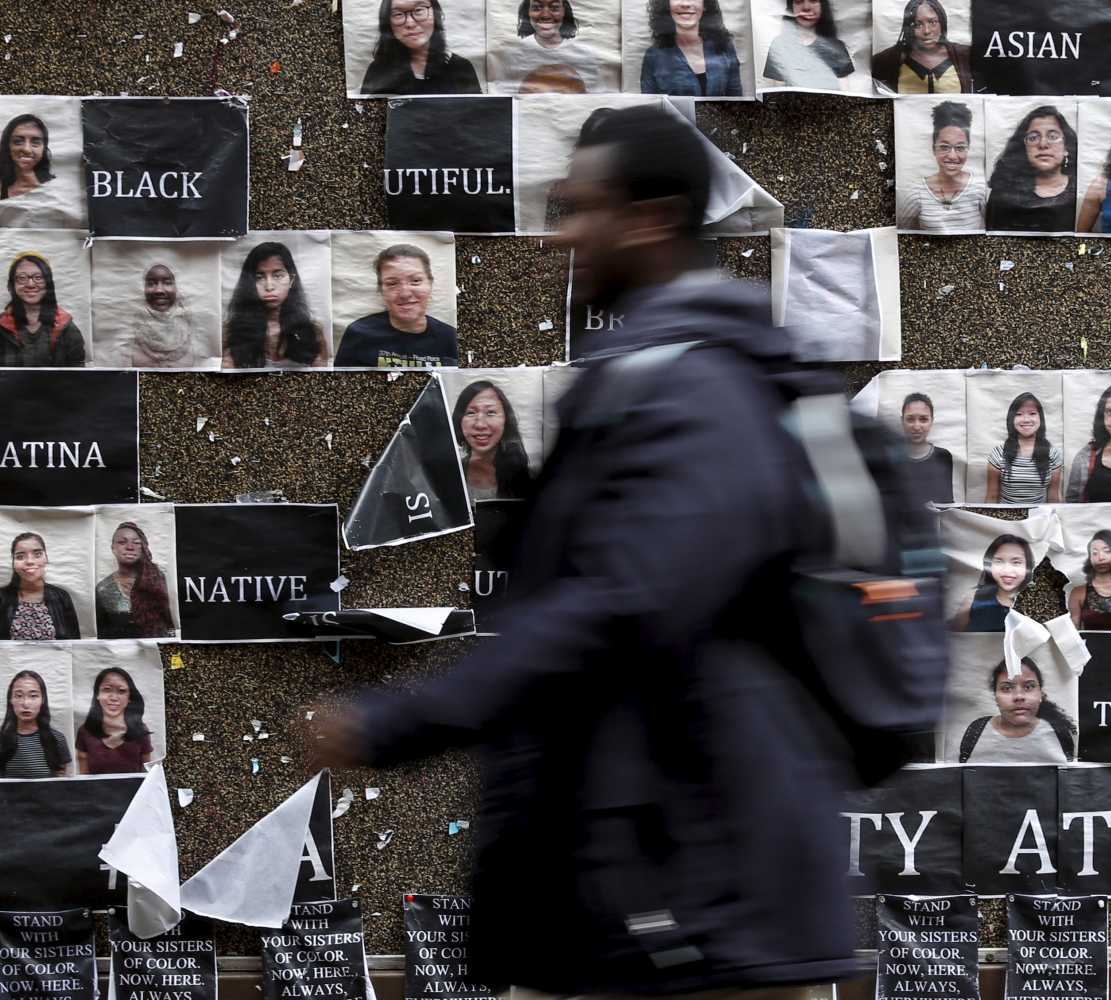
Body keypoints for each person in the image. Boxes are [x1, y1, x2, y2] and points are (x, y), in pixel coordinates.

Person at [305, 105, 885, 997]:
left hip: (698, 907)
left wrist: (398, 721)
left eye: (582, 208)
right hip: (659, 891)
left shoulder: (700, 390)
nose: (561, 235)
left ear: (649, 220)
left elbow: (625, 603)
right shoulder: (675, 376)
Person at [334, 244, 459, 367]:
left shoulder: (451, 338)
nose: (405, 293)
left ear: (430, 284)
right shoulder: (359, 334)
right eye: (392, 283)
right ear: (381, 290)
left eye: (415, 281)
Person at [222, 242, 329, 369]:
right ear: (249, 283)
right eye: (259, 277)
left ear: (291, 280)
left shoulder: (312, 331)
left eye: (278, 275)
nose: (269, 286)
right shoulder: (232, 331)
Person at [955, 659, 1075, 764]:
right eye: (1007, 688)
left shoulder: (1059, 733)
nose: (1019, 696)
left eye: (1028, 687)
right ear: (995, 696)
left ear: (1041, 694)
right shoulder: (975, 731)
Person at [984, 105, 1077, 233]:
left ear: (1066, 147)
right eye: (1033, 138)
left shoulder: (1080, 191)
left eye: (1053, 136)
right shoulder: (1002, 193)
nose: (1043, 144)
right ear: (1024, 148)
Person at [359, 0, 482, 95]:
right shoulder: (378, 71)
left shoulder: (461, 68)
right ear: (387, 23)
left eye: (419, 10)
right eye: (398, 14)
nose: (410, 23)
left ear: (436, 14)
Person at [897, 101, 985, 232]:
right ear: (934, 149)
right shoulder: (916, 193)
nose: (953, 156)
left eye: (960, 147)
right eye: (944, 147)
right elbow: (904, 234)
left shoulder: (980, 189)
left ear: (968, 149)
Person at [641, 0, 743, 96]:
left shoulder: (725, 48)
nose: (685, 3)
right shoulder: (653, 57)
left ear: (705, 4)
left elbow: (738, 105)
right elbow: (650, 110)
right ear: (666, 4)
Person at [1, 253, 86, 367]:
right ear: (12, 284)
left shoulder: (67, 330)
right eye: (22, 278)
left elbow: (78, 378)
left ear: (48, 282)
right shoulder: (2, 327)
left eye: (38, 277)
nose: (30, 284)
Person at [453, 380, 533, 501]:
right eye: (471, 413)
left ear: (506, 420)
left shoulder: (530, 477)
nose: (480, 424)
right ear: (459, 420)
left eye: (490, 412)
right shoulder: (449, 476)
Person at [95, 521, 175, 640]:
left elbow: (173, 625)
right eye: (122, 542)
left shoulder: (160, 581)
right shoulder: (103, 589)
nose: (130, 547)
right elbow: (101, 635)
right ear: (113, 548)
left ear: (143, 547)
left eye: (136, 543)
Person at [870, 0, 971, 94]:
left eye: (932, 22)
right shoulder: (886, 60)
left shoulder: (965, 56)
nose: (927, 31)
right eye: (917, 25)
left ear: (942, 23)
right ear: (909, 28)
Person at [505, 0, 601, 92]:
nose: (545, 15)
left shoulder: (586, 56)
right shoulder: (514, 55)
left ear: (564, 12)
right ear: (527, 12)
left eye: (554, 8)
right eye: (537, 8)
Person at [0, 533, 81, 640]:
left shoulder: (61, 597)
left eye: (37, 554)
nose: (29, 561)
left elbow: (74, 645)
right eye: (20, 556)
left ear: (46, 558)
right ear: (13, 562)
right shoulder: (2, 597)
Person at [125, 263, 208, 368]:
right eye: (151, 283)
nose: (159, 290)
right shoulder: (128, 330)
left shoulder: (195, 330)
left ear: (177, 287)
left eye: (167, 283)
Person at [761, 0, 855, 91]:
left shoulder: (836, 47)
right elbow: (778, 91)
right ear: (791, 7)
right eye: (798, 1)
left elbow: (845, 90)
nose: (806, 7)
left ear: (822, 5)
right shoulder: (780, 45)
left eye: (813, 0)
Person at [984, 391, 1061, 503]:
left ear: (1041, 418)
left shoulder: (1052, 454)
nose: (1026, 419)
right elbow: (991, 497)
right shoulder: (998, 454)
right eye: (1019, 414)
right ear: (1011, 419)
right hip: (1007, 519)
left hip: (1039, 518)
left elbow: (1054, 497)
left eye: (1032, 413)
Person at [947, 532, 1031, 632]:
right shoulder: (973, 599)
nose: (1007, 570)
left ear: (1028, 566)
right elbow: (954, 634)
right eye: (999, 561)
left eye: (1016, 562)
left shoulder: (1035, 605)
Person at [75, 668, 153, 775]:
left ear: (129, 697)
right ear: (97, 694)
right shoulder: (85, 731)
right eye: (107, 689)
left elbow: (147, 775)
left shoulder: (140, 731)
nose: (114, 698)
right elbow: (83, 776)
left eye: (121, 691)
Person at [0, 671, 70, 778]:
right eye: (18, 696)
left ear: (43, 700)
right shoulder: (2, 738)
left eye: (33, 696)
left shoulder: (56, 739)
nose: (25, 703)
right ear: (10, 700)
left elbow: (61, 782)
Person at [900, 391, 953, 503]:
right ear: (902, 421)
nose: (916, 426)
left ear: (932, 421)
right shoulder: (891, 456)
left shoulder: (943, 456)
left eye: (923, 419)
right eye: (910, 419)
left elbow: (947, 501)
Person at [1, 114, 53, 200]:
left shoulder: (53, 189)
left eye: (35, 142)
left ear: (43, 149)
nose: (27, 149)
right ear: (7, 146)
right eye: (18, 141)